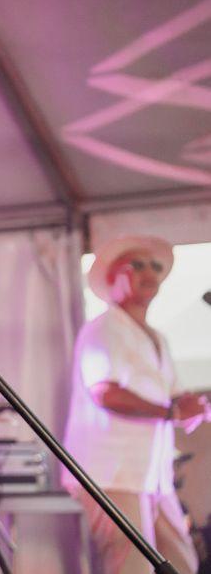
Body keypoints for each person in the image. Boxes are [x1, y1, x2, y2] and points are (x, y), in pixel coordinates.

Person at [62, 235, 207, 574]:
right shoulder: (104, 328)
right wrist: (171, 412)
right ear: (113, 279)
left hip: (152, 475)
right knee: (132, 567)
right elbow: (105, 393)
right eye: (136, 265)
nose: (149, 273)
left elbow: (175, 396)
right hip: (112, 472)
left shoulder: (157, 338)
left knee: (183, 562)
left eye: (155, 266)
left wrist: (193, 406)